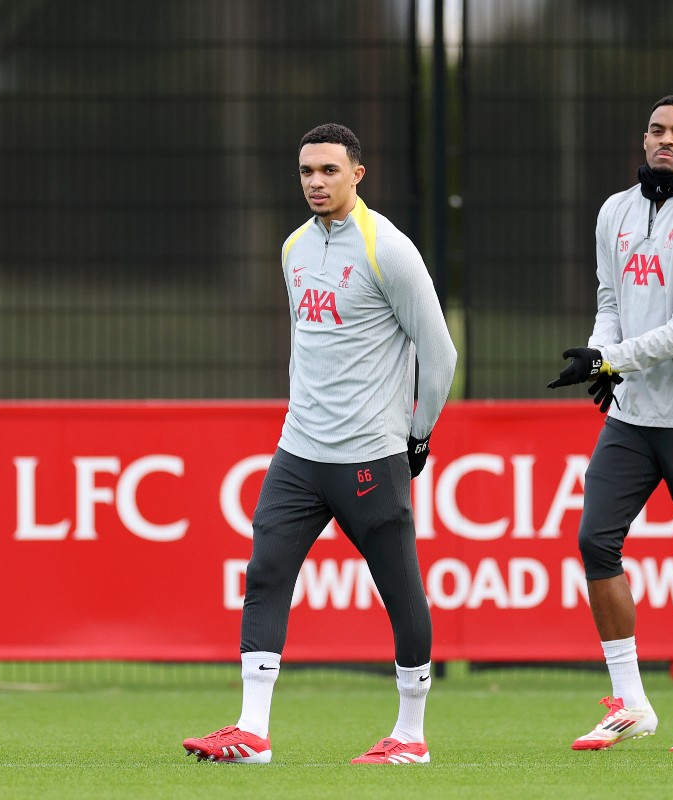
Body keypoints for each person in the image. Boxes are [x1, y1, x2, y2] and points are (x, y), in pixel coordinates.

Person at [183, 123, 457, 765]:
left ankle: (411, 737)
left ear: (357, 174)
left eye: (329, 170)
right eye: (307, 170)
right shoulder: (293, 249)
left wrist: (418, 433)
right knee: (265, 573)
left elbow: (439, 353)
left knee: (400, 591)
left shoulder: (389, 249)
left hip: (370, 455)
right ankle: (251, 732)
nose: (315, 181)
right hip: (298, 453)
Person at [547, 96, 673, 752]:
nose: (666, 140)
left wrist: (611, 358)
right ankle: (630, 702)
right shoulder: (616, 210)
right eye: (658, 130)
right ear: (646, 138)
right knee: (594, 541)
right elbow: (610, 299)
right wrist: (604, 357)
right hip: (633, 416)